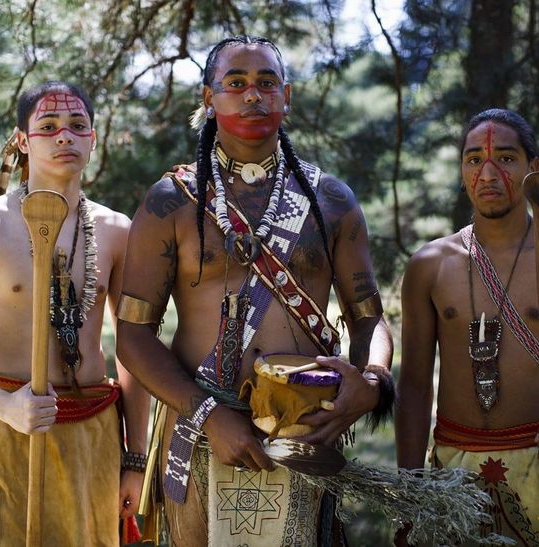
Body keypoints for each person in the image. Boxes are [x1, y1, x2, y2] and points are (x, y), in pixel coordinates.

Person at [116, 35, 394, 546]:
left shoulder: (330, 200)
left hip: (307, 431)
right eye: (236, 83)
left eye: (267, 83)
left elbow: (368, 318)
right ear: (208, 99)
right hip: (200, 435)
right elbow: (133, 337)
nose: (253, 96)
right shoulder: (171, 202)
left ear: (286, 96)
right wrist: (210, 415)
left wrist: (372, 380)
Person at [0, 81, 150, 545]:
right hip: (4, 428)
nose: (65, 136)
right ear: (22, 140)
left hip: (93, 435)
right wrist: (5, 407)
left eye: (78, 126)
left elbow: (134, 353)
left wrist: (135, 460)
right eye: (48, 126)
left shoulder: (118, 230)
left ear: (93, 138)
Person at [396, 109, 539, 546]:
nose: (489, 173)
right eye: (474, 159)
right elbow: (416, 387)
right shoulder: (430, 266)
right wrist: (410, 494)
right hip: (453, 467)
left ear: (533, 168)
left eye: (507, 159)